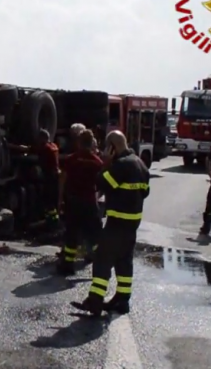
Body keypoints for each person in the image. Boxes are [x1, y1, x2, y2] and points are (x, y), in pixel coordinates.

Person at [72, 130, 150, 316]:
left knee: (102, 260)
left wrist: (106, 163)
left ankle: (95, 302)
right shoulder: (140, 164)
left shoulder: (121, 165)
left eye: (107, 147)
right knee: (124, 262)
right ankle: (122, 301)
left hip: (117, 223)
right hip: (132, 225)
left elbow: (100, 183)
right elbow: (145, 193)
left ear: (112, 147)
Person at [57, 130, 104, 275]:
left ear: (78, 142)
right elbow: (101, 184)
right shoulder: (97, 162)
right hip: (90, 203)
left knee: (72, 234)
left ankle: (68, 266)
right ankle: (100, 266)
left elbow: (62, 180)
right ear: (91, 144)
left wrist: (60, 199)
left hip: (73, 202)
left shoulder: (71, 159)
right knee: (95, 236)